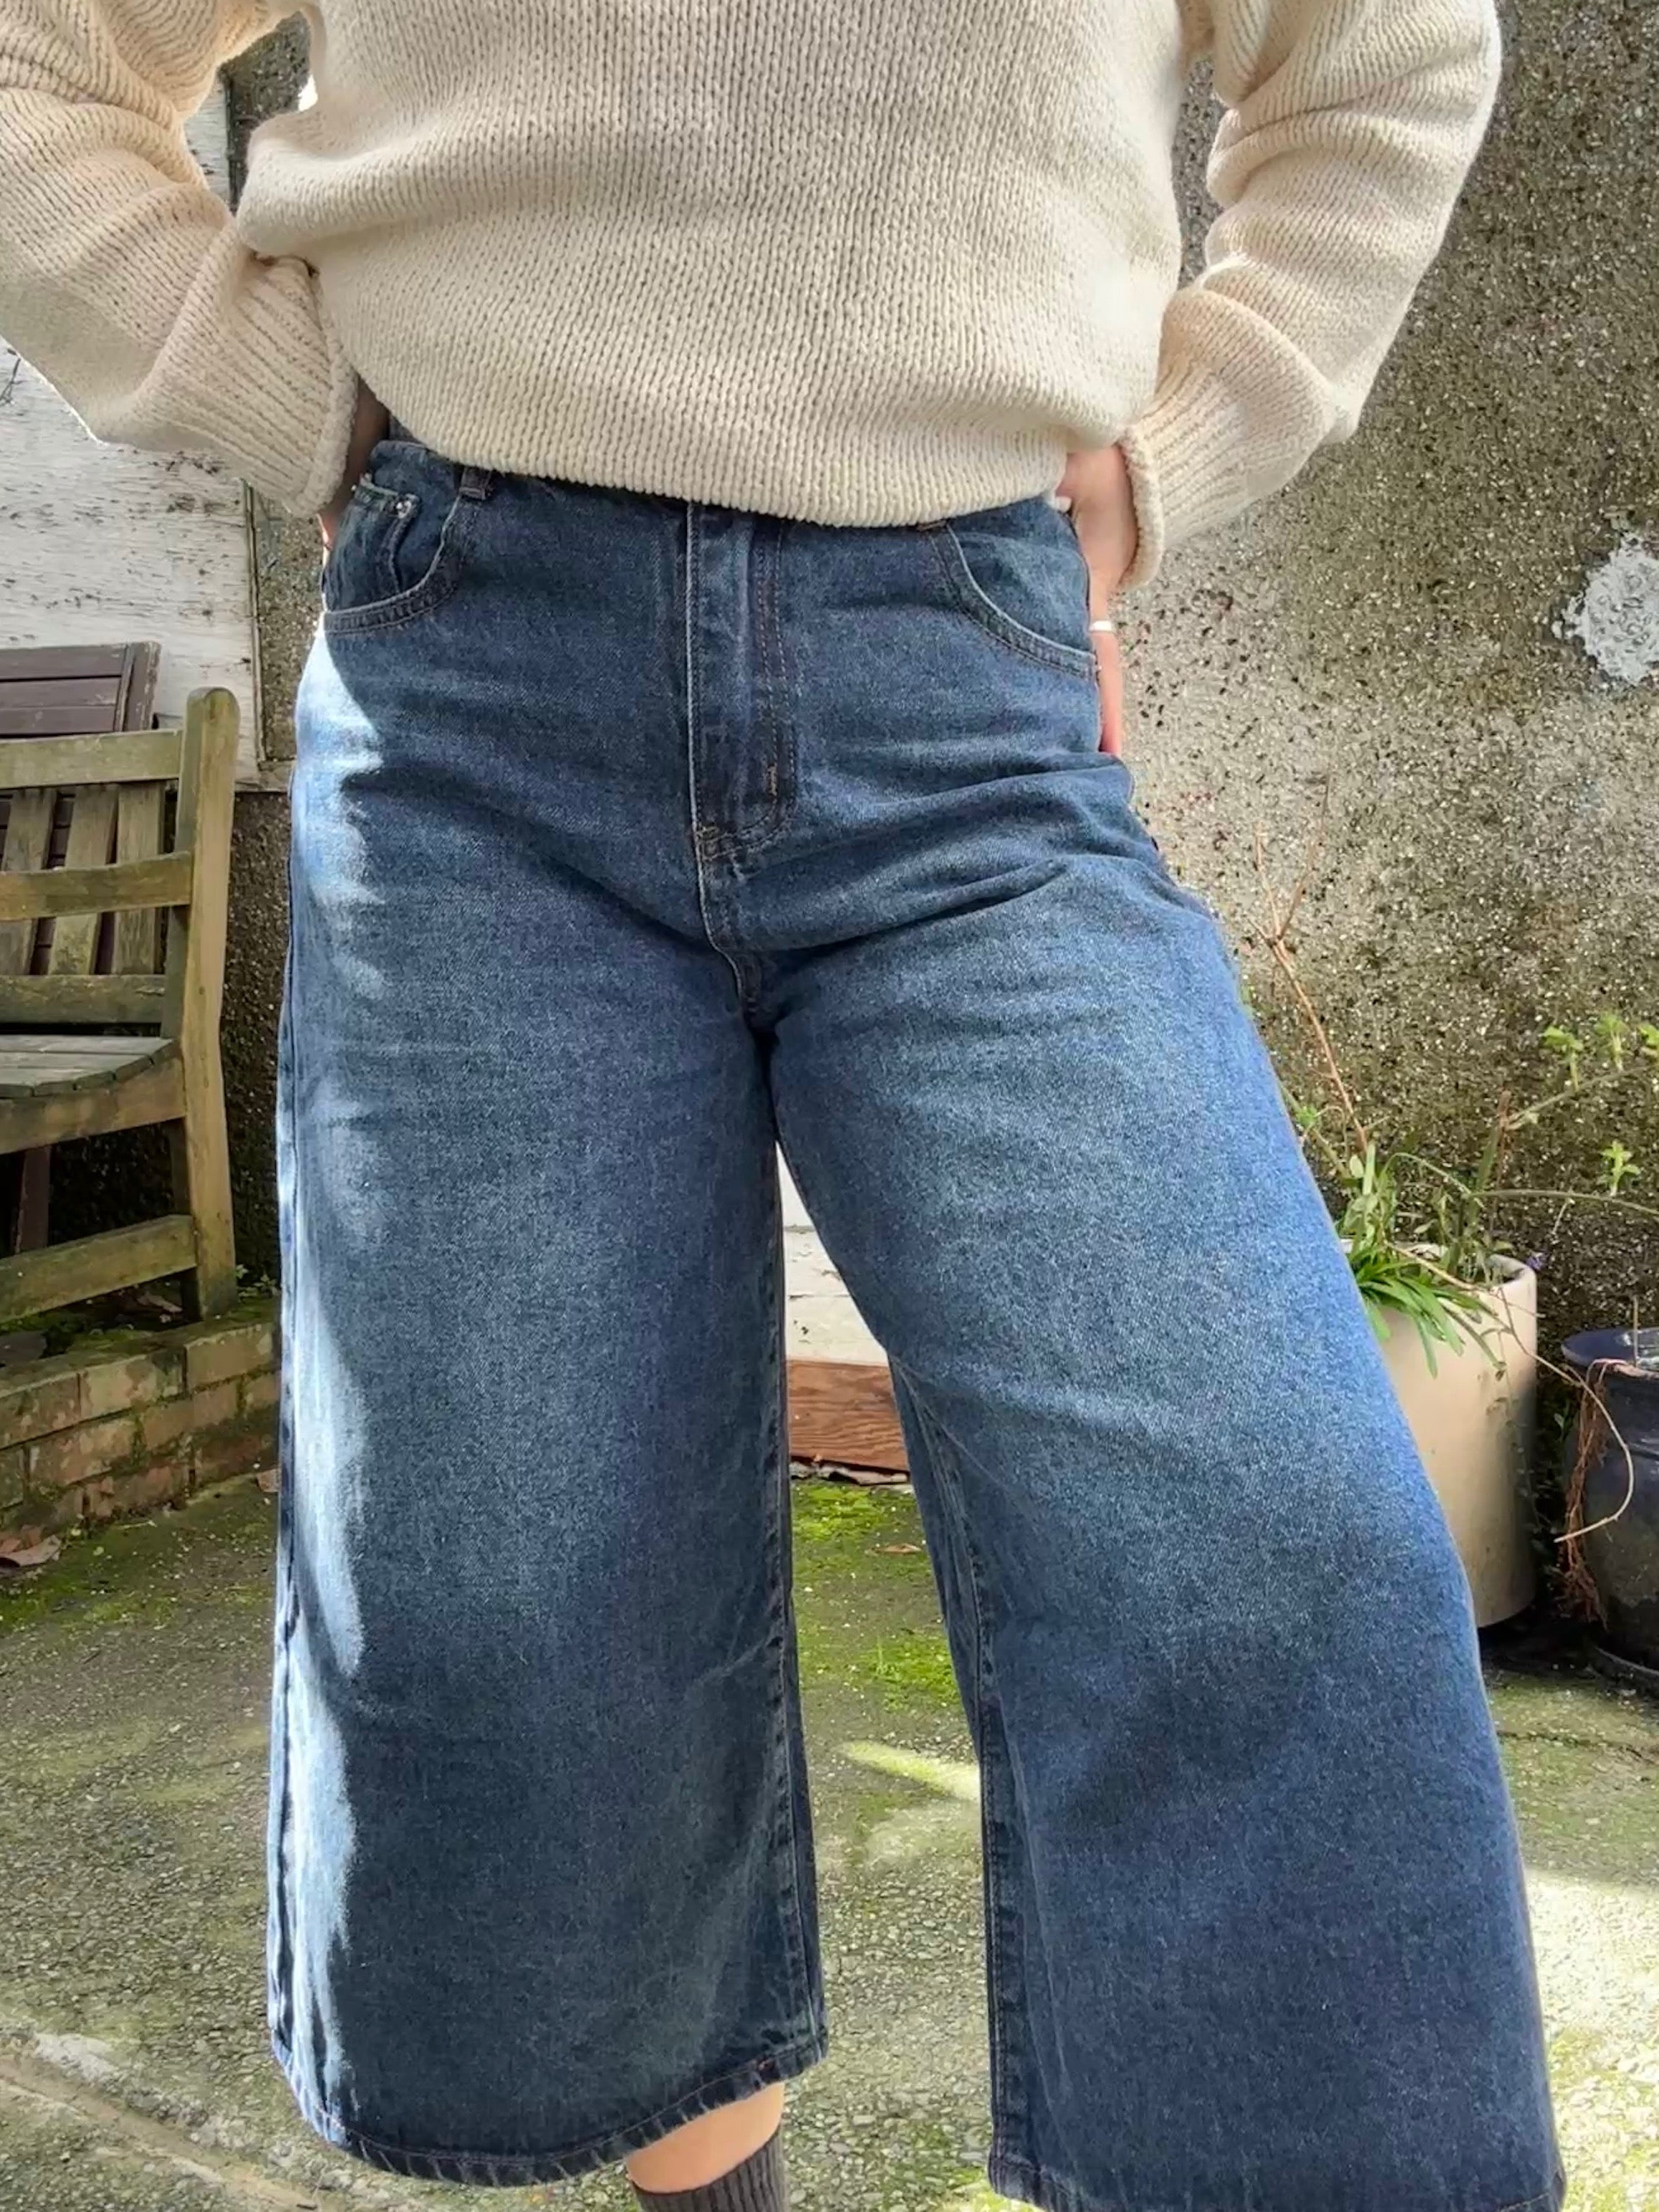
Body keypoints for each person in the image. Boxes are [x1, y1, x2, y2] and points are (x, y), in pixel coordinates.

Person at [0, 4, 1564, 2208]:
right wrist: (281, 395)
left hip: (959, 701)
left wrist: (1183, 440)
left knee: (1264, 1555)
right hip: (473, 699)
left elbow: (1380, 55)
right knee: (511, 1604)